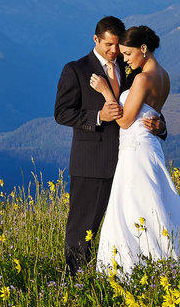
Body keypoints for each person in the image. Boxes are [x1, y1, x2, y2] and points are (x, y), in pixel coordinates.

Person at [53, 16, 165, 276]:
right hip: (92, 162)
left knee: (125, 224)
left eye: (118, 45)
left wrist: (161, 126)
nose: (114, 51)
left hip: (128, 162)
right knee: (83, 225)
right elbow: (61, 113)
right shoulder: (76, 69)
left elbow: (144, 107)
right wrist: (97, 117)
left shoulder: (132, 69)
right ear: (96, 40)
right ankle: (74, 278)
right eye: (108, 45)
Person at [90, 24, 180, 277]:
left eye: (128, 54)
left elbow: (126, 121)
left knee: (133, 205)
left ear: (144, 49)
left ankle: (133, 266)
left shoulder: (142, 78)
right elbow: (153, 114)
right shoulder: (164, 76)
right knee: (152, 201)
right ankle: (159, 260)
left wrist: (106, 92)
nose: (125, 60)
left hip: (135, 151)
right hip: (150, 146)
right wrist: (159, 126)